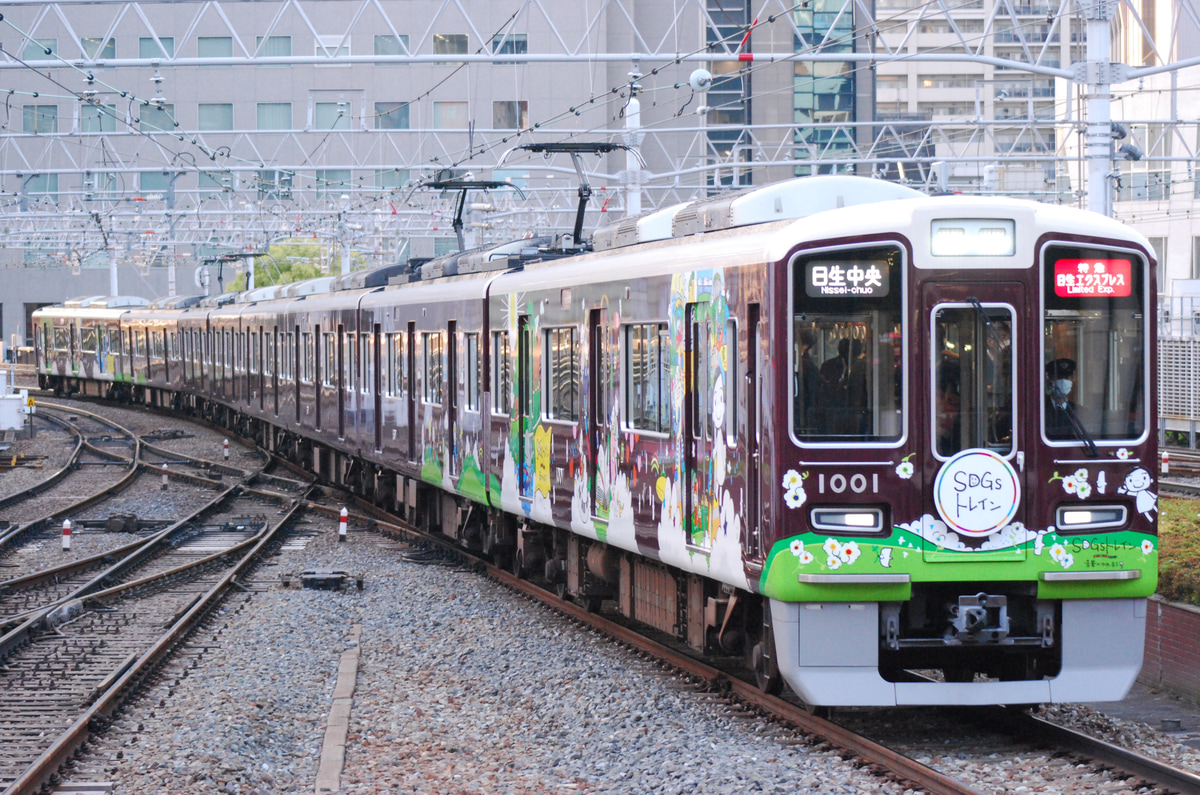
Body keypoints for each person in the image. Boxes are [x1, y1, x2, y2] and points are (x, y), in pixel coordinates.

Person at [1045, 357, 1077, 438]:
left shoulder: (1079, 411)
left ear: (1072, 380)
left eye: (1067, 377)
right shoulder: (1039, 410)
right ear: (1049, 380)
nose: (1063, 381)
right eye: (1059, 377)